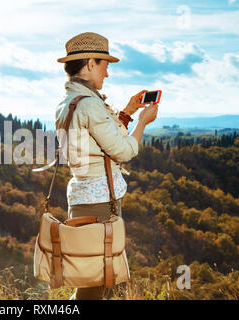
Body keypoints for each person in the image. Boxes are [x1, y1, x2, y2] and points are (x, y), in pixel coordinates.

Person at [55, 32, 159, 300]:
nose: (108, 74)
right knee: (95, 284)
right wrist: (142, 123)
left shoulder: (69, 103)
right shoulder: (90, 104)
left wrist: (126, 112)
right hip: (100, 202)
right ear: (90, 64)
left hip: (84, 197)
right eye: (105, 66)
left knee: (95, 280)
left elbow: (99, 144)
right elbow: (122, 151)